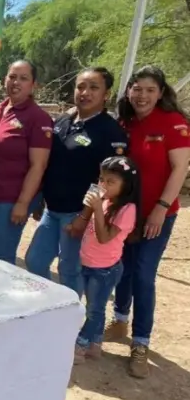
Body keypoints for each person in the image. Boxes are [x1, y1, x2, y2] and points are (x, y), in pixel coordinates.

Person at [105, 66, 190, 378]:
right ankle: (119, 319)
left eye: (149, 90)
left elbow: (180, 169)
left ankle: (140, 343)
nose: (142, 95)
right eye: (137, 88)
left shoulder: (174, 124)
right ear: (129, 91)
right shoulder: (125, 123)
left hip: (158, 214)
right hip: (127, 213)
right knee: (122, 268)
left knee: (143, 274)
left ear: (160, 93)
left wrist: (160, 208)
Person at [26, 68, 127, 294]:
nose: (85, 92)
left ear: (106, 94)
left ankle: (70, 319)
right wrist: (41, 198)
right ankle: (48, 305)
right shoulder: (63, 121)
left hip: (79, 214)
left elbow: (107, 182)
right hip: (52, 211)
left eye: (93, 87)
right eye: (81, 86)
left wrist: (84, 216)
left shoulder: (111, 133)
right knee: (34, 262)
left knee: (69, 269)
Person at [0, 60, 52, 264]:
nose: (16, 82)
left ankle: (3, 296)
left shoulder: (38, 118)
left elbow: (39, 165)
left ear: (34, 85)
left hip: (11, 199)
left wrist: (23, 203)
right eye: (12, 77)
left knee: (2, 258)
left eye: (23, 78)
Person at [74, 156, 140, 365]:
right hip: (88, 263)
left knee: (93, 310)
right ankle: (95, 345)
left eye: (110, 182)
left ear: (126, 185)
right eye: (101, 179)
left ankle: (81, 345)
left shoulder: (127, 210)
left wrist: (96, 210)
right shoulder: (104, 201)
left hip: (104, 270)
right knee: (96, 306)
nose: (103, 185)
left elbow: (104, 237)